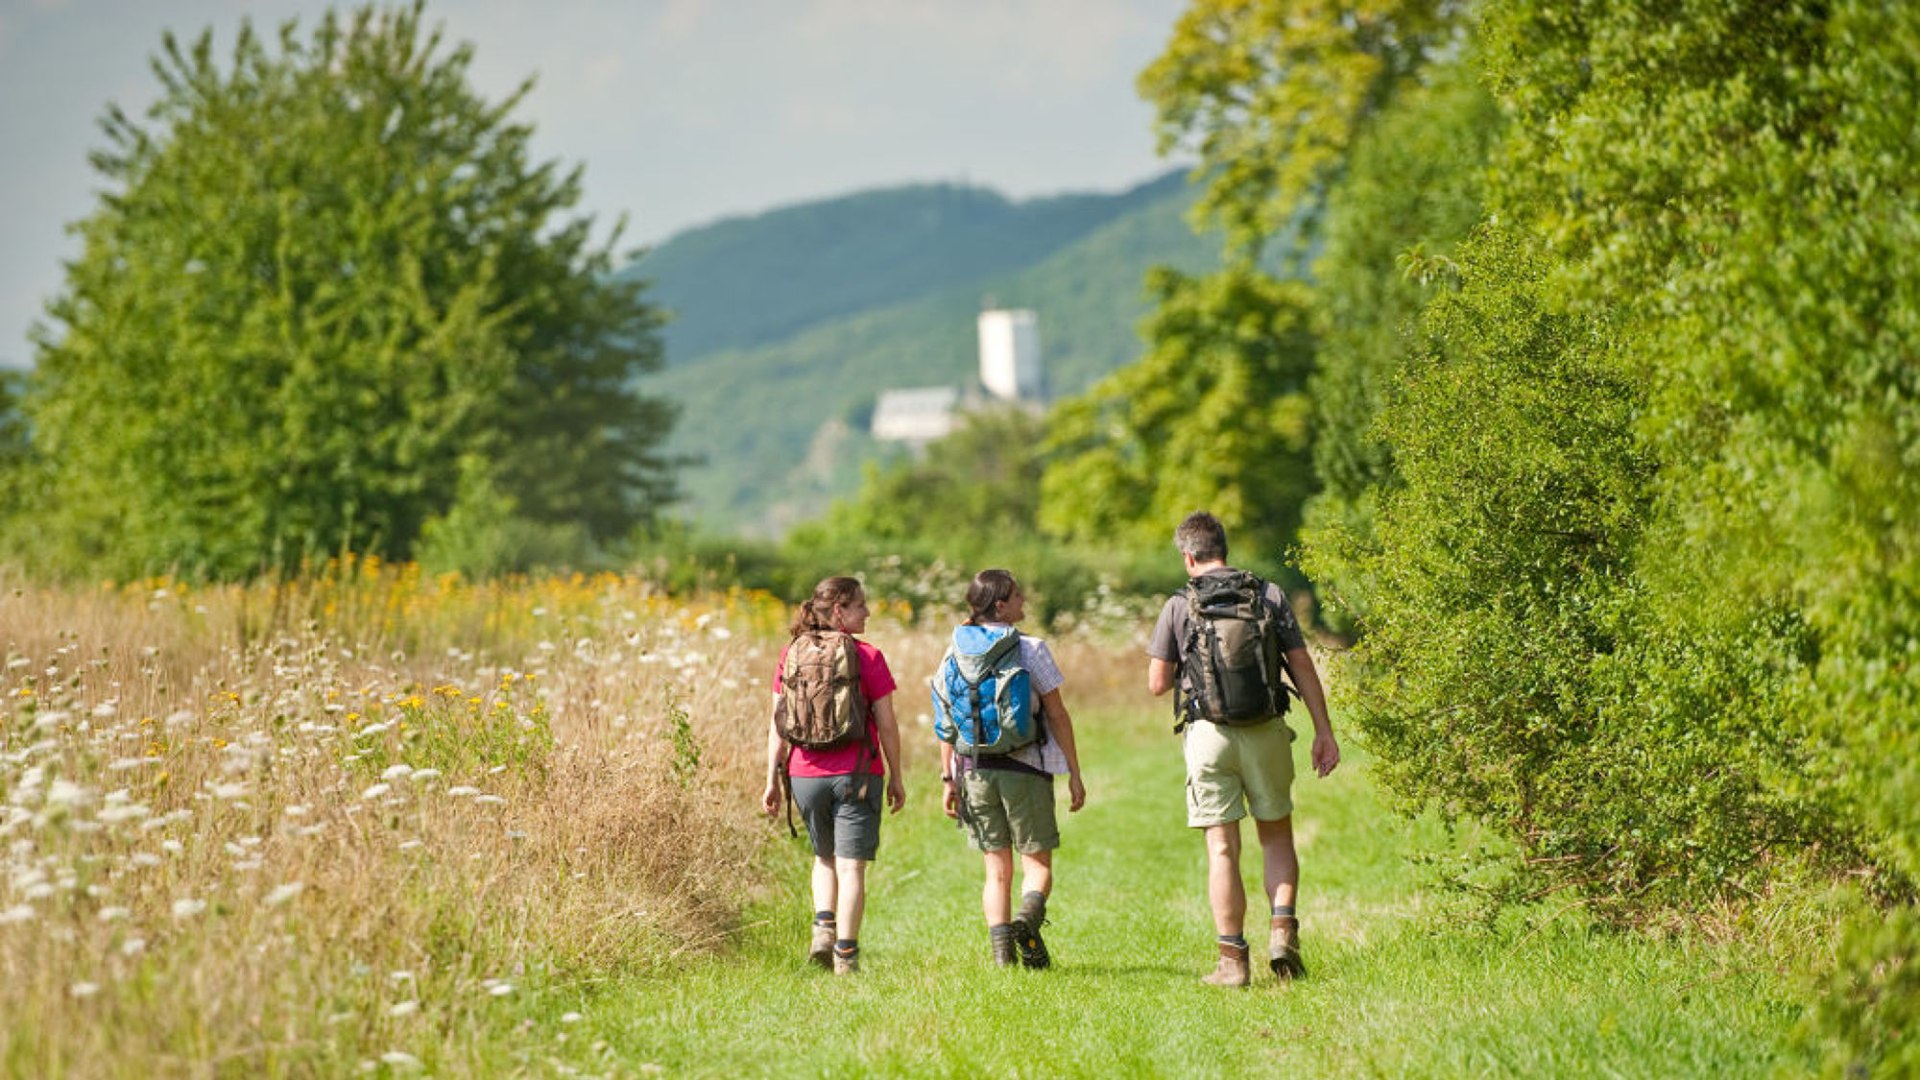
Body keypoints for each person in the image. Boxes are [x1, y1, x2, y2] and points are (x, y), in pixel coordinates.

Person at [1146, 511, 1339, 988]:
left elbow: (1155, 685)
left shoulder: (1178, 603)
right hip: (1267, 729)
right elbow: (1302, 667)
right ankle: (1282, 932)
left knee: (1222, 848)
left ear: (1188, 556)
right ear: (1224, 549)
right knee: (1275, 837)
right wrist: (1323, 730)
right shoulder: (1268, 594)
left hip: (1209, 736)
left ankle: (1232, 964)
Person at [937, 569, 1086, 969]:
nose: (1024, 602)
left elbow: (946, 720)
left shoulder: (953, 651)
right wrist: (1073, 770)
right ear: (1000, 605)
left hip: (974, 770)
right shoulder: (1031, 648)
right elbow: (1057, 713)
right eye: (1018, 596)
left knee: (995, 869)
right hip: (1026, 767)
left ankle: (1004, 960)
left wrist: (949, 778)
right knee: (1036, 863)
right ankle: (1027, 920)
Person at [761, 576, 907, 975]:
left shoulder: (790, 653)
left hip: (804, 774)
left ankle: (822, 930)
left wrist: (771, 778)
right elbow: (888, 724)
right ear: (840, 610)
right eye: (860, 605)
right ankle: (846, 955)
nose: (868, 612)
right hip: (857, 773)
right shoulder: (869, 656)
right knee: (851, 866)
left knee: (823, 858)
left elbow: (777, 722)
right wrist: (896, 776)